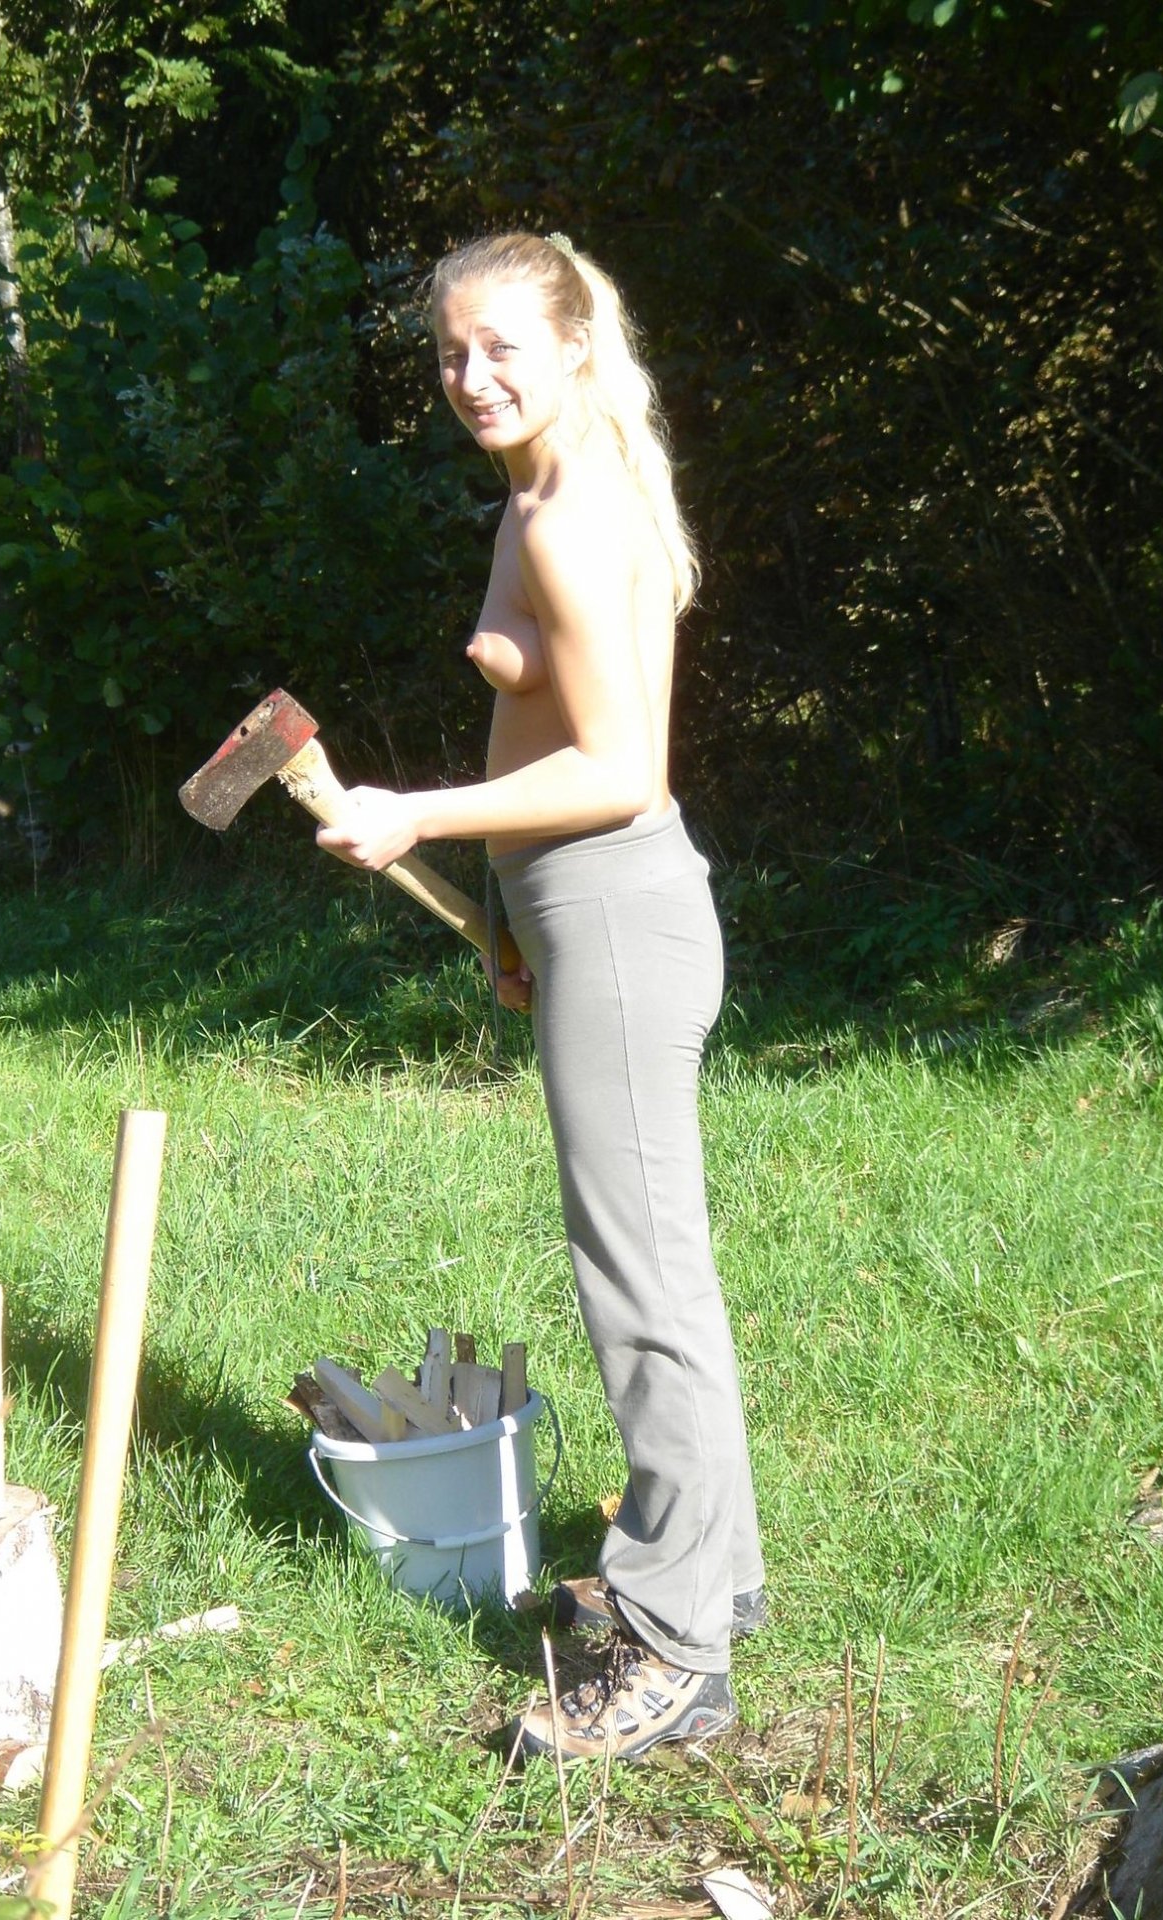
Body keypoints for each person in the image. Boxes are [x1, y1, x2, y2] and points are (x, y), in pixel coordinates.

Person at [316, 230, 764, 1763]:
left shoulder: (572, 518)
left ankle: (676, 1650)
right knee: (657, 1268)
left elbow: (622, 769)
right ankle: (715, 1575)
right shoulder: (551, 490)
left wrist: (417, 816)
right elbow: (552, 739)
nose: (471, 375)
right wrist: (512, 910)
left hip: (621, 906)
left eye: (502, 345)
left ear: (574, 343)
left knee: (640, 1285)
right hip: (578, 908)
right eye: (450, 351)